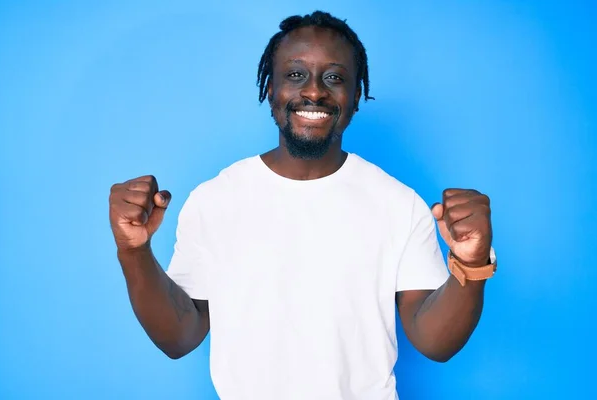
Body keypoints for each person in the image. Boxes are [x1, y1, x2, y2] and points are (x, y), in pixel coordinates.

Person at [108, 10, 497, 400]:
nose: (314, 92)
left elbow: (435, 343)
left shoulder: (399, 204)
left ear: (356, 95)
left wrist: (472, 264)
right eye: (296, 75)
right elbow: (178, 336)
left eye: (334, 77)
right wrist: (133, 250)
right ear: (271, 89)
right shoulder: (215, 200)